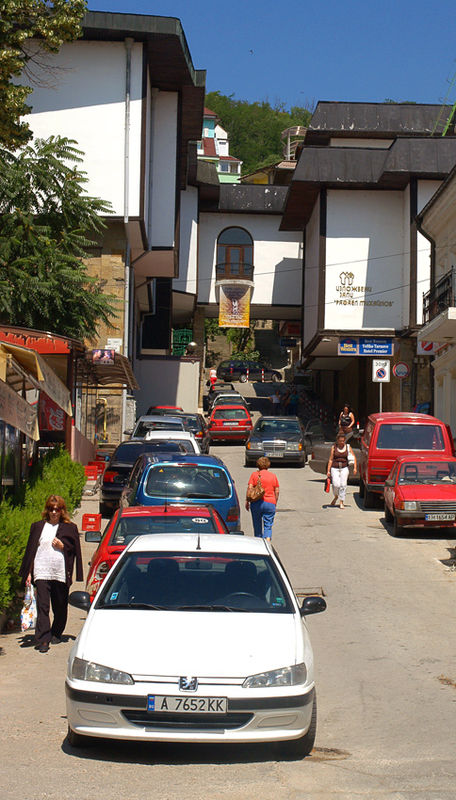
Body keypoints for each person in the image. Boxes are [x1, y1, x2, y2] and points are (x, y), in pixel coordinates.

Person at [19, 495, 83, 653]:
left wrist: (63, 546)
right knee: (43, 606)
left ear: (62, 511)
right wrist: (29, 573)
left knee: (60, 605)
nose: (54, 512)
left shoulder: (70, 528)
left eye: (57, 509)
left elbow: (75, 551)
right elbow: (31, 551)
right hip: (41, 571)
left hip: (60, 572)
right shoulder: (37, 527)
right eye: (51, 509)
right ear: (47, 510)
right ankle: (43, 639)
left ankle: (56, 632)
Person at [245, 456, 279, 539]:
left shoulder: (254, 475)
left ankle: (258, 540)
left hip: (256, 502)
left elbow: (250, 488)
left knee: (257, 525)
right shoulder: (273, 476)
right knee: (268, 525)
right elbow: (277, 491)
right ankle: (267, 539)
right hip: (270, 502)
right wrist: (275, 502)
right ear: (268, 465)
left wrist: (247, 501)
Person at [326, 432, 357, 509]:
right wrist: (328, 471)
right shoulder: (334, 448)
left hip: (344, 468)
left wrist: (355, 468)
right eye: (340, 441)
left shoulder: (348, 447)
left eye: (343, 441)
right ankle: (336, 496)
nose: (342, 442)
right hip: (335, 468)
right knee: (336, 484)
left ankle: (341, 501)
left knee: (343, 484)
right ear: (337, 440)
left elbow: (354, 457)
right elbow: (330, 460)